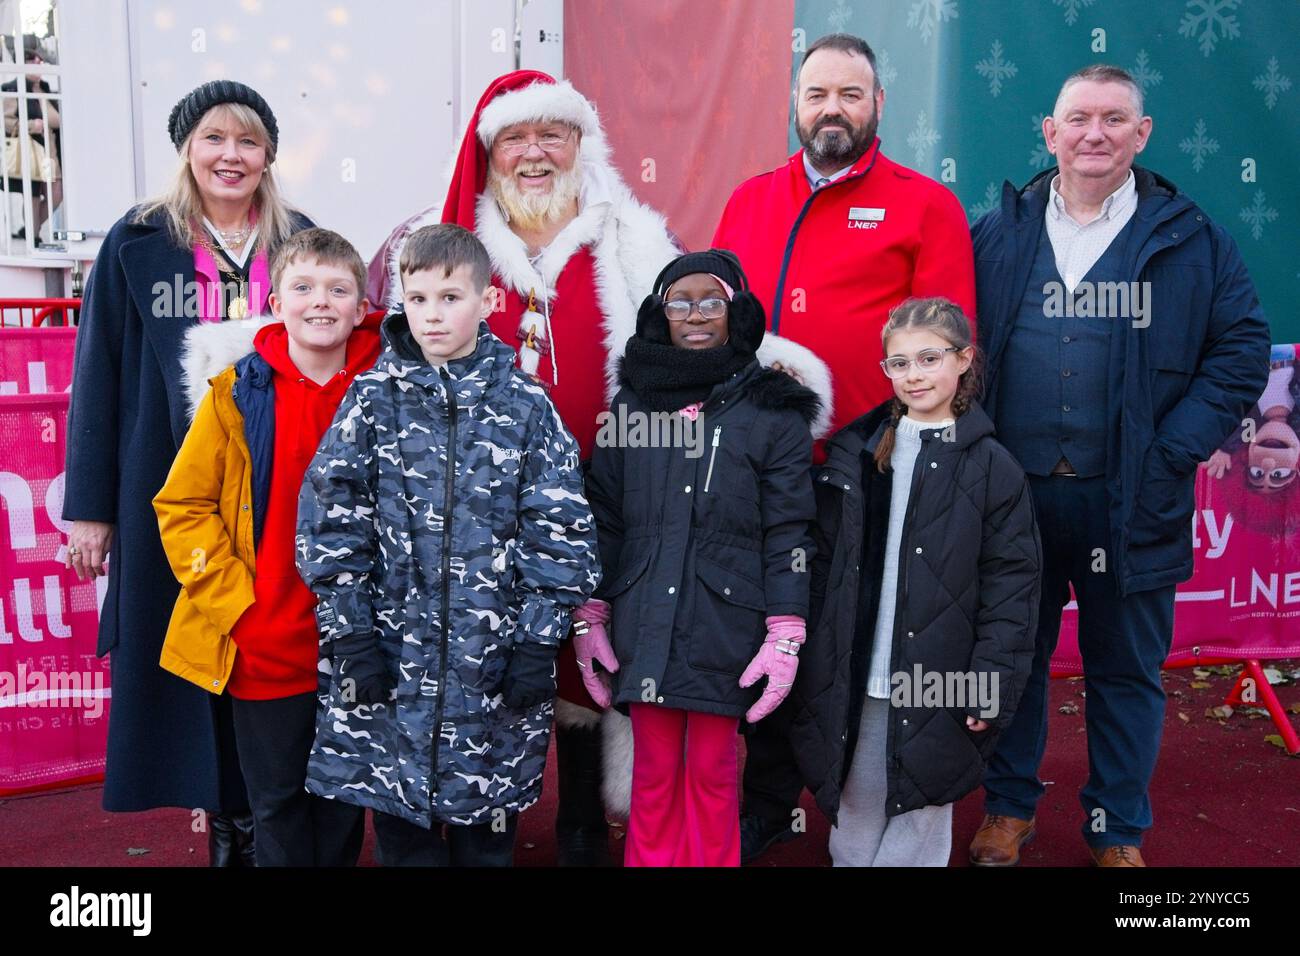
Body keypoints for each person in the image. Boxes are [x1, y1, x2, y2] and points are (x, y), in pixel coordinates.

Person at [367, 70, 830, 864]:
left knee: (598, 665)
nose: (536, 153)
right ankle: (487, 826)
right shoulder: (446, 245)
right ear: (490, 155)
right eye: (516, 138)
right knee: (487, 657)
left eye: (554, 135)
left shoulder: (631, 236)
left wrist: (780, 375)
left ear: (583, 145)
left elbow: (705, 332)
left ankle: (581, 815)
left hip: (622, 500)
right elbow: (383, 345)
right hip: (478, 508)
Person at [969, 65, 1271, 867]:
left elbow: (1240, 351)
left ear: (1142, 135)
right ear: (1050, 132)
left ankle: (1116, 828)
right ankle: (1006, 808)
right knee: (1011, 662)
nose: (1092, 133)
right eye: (1077, 118)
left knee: (1127, 671)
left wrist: (1174, 449)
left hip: (1133, 498)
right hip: (1013, 498)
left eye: (1113, 119)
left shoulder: (1194, 238)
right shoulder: (995, 231)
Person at [713, 31, 975, 863]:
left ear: (878, 106)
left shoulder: (926, 206)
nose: (832, 109)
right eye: (818, 93)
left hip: (865, 473)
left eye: (850, 95)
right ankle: (760, 804)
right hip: (754, 470)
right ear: (796, 103)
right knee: (753, 628)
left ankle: (842, 806)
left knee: (837, 643)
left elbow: (946, 346)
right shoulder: (749, 199)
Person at [63, 79, 313, 865]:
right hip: (170, 496)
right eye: (214, 138)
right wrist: (90, 509)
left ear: (268, 154)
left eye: (247, 141)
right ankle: (225, 835)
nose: (230, 156)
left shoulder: (300, 240)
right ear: (187, 149)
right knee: (193, 653)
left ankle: (262, 823)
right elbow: (97, 374)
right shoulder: (137, 240)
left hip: (280, 496)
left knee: (266, 654)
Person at [297, 224, 600, 866]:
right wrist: (348, 635)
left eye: (450, 297)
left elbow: (561, 533)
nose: (433, 315)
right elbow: (330, 522)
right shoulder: (371, 399)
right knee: (403, 841)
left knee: (485, 843)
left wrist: (537, 642)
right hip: (388, 663)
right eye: (418, 298)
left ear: (489, 301)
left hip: (490, 670)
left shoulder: (526, 407)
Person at [579, 250, 819, 866]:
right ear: (659, 314)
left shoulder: (772, 409)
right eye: (678, 302)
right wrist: (591, 612)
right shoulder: (631, 404)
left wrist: (786, 629)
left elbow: (790, 528)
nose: (694, 316)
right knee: (652, 777)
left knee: (712, 774)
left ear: (735, 312)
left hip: (726, 623)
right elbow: (604, 513)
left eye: (710, 302)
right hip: (644, 622)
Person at [152, 228, 381, 866]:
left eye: (339, 289)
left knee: (342, 806)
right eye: (302, 287)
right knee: (275, 806)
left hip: (363, 645)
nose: (320, 302)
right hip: (266, 641)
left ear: (362, 307)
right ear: (275, 302)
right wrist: (237, 607)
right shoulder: (235, 395)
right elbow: (183, 505)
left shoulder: (390, 390)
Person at [786, 297, 1041, 866]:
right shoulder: (854, 454)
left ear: (963, 360)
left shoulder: (994, 467)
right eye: (898, 364)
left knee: (920, 814)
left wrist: (989, 683)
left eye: (929, 358)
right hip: (858, 675)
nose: (914, 375)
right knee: (854, 817)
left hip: (941, 681)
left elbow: (1012, 589)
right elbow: (822, 566)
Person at [4, 36, 62, 243]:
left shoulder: (44, 89)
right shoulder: (12, 88)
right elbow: (7, 122)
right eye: (34, 61)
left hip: (50, 152)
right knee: (34, 194)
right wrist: (31, 125)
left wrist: (39, 95)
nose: (39, 64)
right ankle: (33, 235)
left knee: (56, 193)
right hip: (29, 151)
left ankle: (30, 229)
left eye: (40, 61)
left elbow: (56, 120)